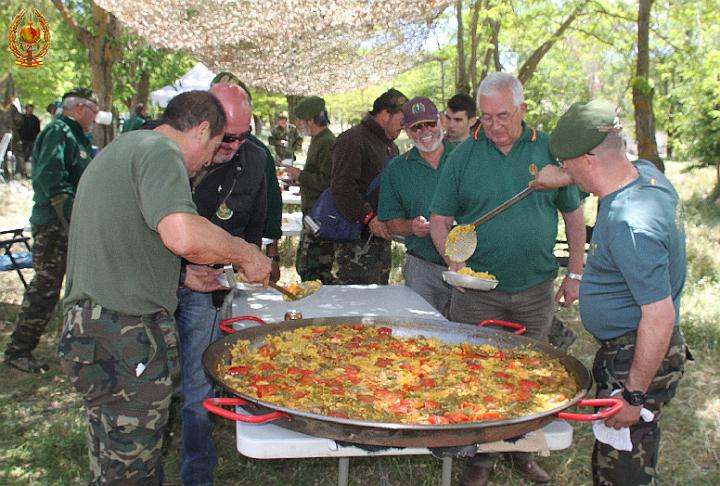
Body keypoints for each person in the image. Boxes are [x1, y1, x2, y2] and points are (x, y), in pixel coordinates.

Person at [58, 90, 272, 485]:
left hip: (92, 332)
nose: (208, 161)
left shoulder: (126, 149)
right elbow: (183, 234)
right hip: (122, 336)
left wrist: (180, 276)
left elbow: (123, 239)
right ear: (202, 129)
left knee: (112, 459)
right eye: (211, 148)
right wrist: (244, 253)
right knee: (133, 470)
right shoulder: (161, 153)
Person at [429, 72, 586, 486]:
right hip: (477, 294)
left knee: (530, 374)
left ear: (523, 109)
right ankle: (478, 457)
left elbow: (573, 214)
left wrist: (575, 273)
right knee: (474, 373)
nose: (494, 126)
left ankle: (522, 449)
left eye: (503, 116)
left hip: (535, 290)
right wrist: (455, 263)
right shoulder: (462, 156)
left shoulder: (550, 148)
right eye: (486, 117)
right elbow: (441, 221)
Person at [530, 100, 688, 486]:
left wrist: (634, 396)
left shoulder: (630, 224)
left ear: (589, 159)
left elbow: (659, 315)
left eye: (567, 163)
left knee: (622, 467)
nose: (564, 169)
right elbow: (608, 166)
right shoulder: (648, 177)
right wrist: (566, 177)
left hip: (638, 353)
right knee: (618, 452)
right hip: (631, 347)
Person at [174, 82, 268, 485]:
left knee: (198, 385)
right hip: (158, 279)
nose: (233, 145)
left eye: (243, 136)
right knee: (154, 378)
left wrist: (257, 258)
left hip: (210, 284)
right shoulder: (167, 153)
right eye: (227, 136)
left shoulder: (255, 160)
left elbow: (257, 222)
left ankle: (197, 473)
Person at [4, 88, 97, 374]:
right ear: (80, 108)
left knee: (78, 287)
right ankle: (18, 350)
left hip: (70, 223)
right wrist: (69, 217)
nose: (95, 116)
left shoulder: (77, 135)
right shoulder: (59, 131)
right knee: (45, 287)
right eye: (93, 110)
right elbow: (49, 178)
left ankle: (73, 345)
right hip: (55, 225)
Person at [378, 96, 454, 315]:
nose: (424, 131)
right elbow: (390, 223)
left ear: (441, 121)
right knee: (422, 336)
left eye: (429, 124)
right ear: (407, 131)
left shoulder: (465, 157)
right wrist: (411, 227)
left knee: (468, 336)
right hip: (423, 269)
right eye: (416, 127)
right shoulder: (396, 169)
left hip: (471, 266)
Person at [211, 71, 284, 282]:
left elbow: (267, 208)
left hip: (232, 262)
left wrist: (271, 254)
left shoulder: (257, 155)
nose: (233, 144)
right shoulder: (189, 152)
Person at [331, 88, 408, 285]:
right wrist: (368, 218)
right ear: (384, 115)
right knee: (355, 304)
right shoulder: (353, 140)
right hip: (356, 241)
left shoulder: (391, 147)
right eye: (402, 120)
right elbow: (342, 187)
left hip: (381, 238)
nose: (404, 126)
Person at [283, 96, 337, 283]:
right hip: (313, 214)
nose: (298, 124)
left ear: (311, 120)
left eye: (300, 120)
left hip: (321, 217)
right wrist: (300, 181)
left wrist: (300, 175)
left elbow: (328, 183)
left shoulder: (327, 142)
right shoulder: (318, 140)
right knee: (305, 265)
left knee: (314, 269)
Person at [19, 103, 41, 170]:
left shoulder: (35, 119)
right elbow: (18, 128)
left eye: (31, 109)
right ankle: (22, 170)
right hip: (23, 139)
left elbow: (38, 130)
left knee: (33, 156)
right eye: (29, 109)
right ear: (26, 110)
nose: (30, 111)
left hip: (32, 140)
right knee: (22, 156)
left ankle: (32, 169)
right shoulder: (21, 118)